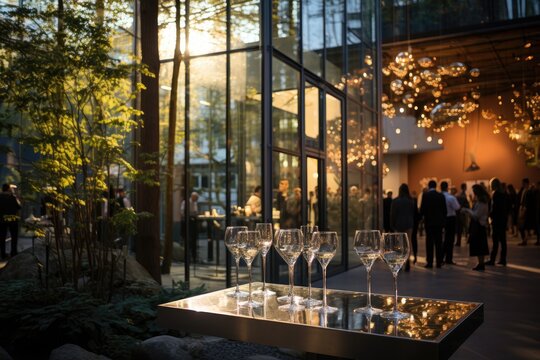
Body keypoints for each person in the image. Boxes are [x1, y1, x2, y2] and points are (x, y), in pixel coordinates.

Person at [420, 180, 447, 268]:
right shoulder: (441, 195)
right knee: (439, 242)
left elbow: (422, 210)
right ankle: (439, 262)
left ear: (428, 186)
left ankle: (430, 262)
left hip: (429, 223)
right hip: (439, 223)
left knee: (429, 242)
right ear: (436, 186)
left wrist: (421, 219)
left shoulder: (426, 195)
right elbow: (444, 210)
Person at [462, 184, 490, 271]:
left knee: (480, 246)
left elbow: (476, 215)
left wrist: (467, 210)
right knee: (479, 246)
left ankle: (481, 264)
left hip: (479, 226)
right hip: (478, 226)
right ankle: (480, 263)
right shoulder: (480, 202)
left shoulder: (482, 203)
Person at [390, 183, 416, 271]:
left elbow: (393, 214)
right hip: (409, 223)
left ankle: (399, 262)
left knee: (399, 244)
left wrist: (392, 224)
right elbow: (414, 213)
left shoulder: (396, 200)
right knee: (408, 243)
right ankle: (407, 261)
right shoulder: (411, 200)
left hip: (398, 224)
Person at [486, 177, 509, 266]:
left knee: (495, 241)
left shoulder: (495, 194)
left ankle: (492, 260)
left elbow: (494, 208)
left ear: (493, 185)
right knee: (503, 241)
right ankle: (503, 260)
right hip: (502, 220)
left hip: (496, 221)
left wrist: (489, 216)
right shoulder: (503, 194)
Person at [441, 181, 460, 265]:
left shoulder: (439, 197)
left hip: (442, 219)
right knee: (450, 239)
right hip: (451, 219)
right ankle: (449, 259)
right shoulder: (450, 197)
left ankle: (441, 257)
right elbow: (457, 207)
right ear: (447, 187)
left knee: (443, 240)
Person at [0, 183, 21, 259]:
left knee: (2, 237)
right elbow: (19, 206)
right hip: (13, 219)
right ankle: (13, 252)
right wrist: (15, 195)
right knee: (14, 236)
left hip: (2, 220)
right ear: (8, 189)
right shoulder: (12, 197)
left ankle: (3, 254)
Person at [181, 191, 200, 261]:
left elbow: (196, 212)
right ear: (193, 197)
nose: (197, 199)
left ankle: (194, 257)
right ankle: (187, 257)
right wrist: (189, 215)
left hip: (194, 222)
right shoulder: (185, 202)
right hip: (188, 222)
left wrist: (195, 214)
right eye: (196, 197)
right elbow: (182, 212)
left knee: (194, 240)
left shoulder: (195, 203)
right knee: (188, 240)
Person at [517, 178, 536, 245]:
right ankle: (524, 240)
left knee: (523, 227)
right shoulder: (524, 190)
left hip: (525, 211)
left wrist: (523, 210)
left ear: (526, 183)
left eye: (523, 183)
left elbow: (527, 203)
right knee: (523, 227)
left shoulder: (528, 191)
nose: (522, 184)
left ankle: (524, 240)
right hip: (523, 209)